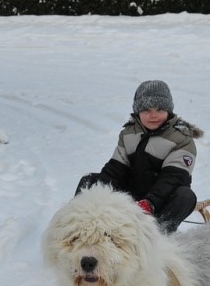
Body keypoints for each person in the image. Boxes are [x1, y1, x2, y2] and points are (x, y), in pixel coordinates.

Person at [76, 80, 203, 233]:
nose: (153, 115)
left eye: (160, 109)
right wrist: (100, 190)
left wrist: (150, 203)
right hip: (130, 196)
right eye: (146, 110)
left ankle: (157, 235)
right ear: (137, 112)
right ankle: (80, 226)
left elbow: (173, 178)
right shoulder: (129, 134)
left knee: (186, 196)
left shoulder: (181, 138)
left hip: (162, 200)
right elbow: (115, 170)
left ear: (169, 110)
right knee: (90, 181)